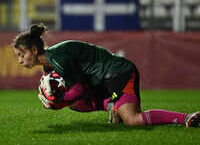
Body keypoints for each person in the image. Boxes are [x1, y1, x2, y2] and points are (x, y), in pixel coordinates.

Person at [12, 23, 200, 127]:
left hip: (119, 73)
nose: (20, 60)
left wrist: (58, 99)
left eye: (22, 55)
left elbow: (80, 89)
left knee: (133, 120)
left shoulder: (57, 57)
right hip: (102, 81)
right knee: (74, 105)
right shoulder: (50, 65)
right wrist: (56, 102)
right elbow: (75, 94)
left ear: (35, 50)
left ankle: (187, 117)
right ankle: (113, 106)